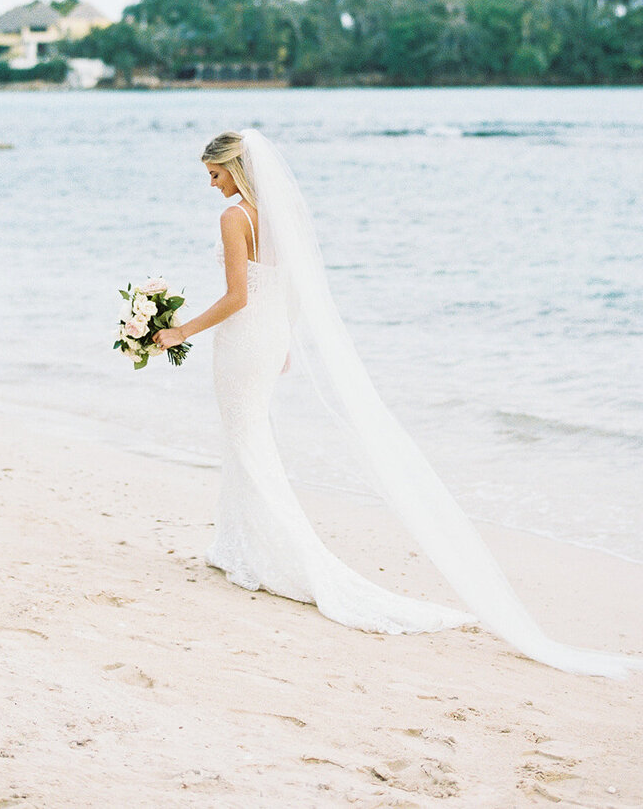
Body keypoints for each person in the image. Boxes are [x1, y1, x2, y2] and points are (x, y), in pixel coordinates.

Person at [154, 129, 641, 678]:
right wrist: (285, 340)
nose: (212, 186)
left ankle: (277, 553)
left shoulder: (234, 218)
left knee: (246, 441)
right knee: (250, 438)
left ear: (236, 170)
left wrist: (179, 333)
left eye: (215, 175)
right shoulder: (279, 215)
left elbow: (239, 296)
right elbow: (290, 287)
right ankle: (242, 543)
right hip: (266, 340)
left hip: (244, 340)